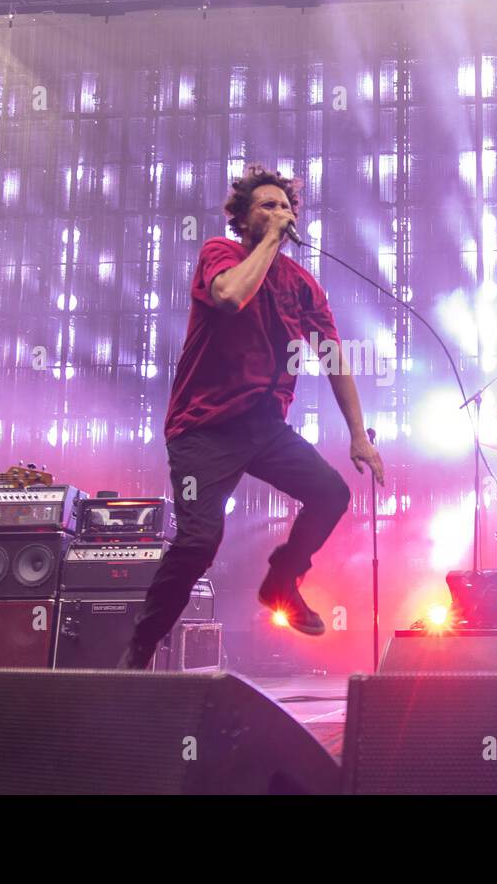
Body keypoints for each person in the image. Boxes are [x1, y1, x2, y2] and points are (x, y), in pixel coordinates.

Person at [122, 166, 385, 670]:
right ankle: (141, 646)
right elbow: (230, 297)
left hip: (263, 428)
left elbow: (334, 359)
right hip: (202, 427)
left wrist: (358, 436)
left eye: (285, 207)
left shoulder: (304, 285)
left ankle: (282, 581)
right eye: (267, 206)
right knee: (199, 541)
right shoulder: (221, 255)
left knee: (331, 492)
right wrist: (269, 244)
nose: (280, 214)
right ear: (243, 219)